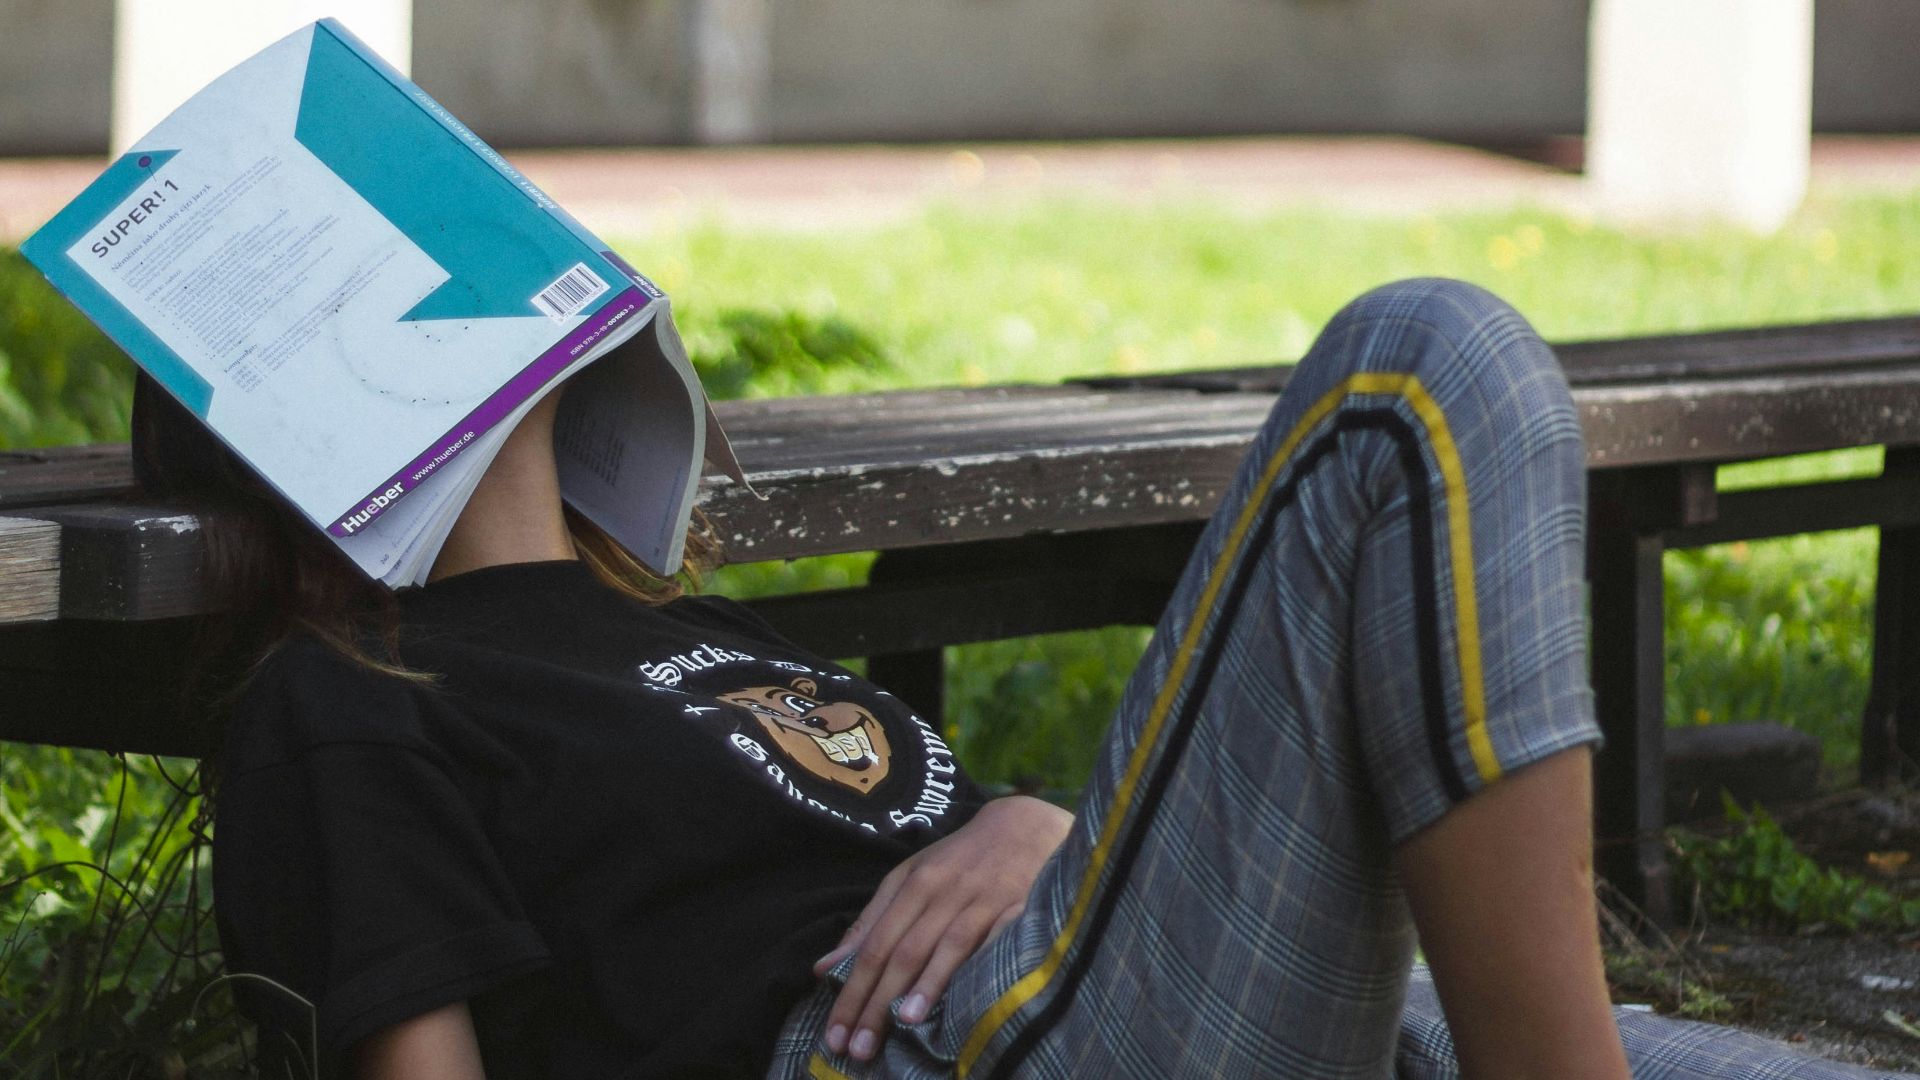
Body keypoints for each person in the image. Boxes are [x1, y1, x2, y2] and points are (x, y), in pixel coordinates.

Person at [136, 278, 1904, 1079]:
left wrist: (1034, 824)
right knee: (1421, 370)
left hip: (1156, 994)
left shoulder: (689, 629)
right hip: (950, 1056)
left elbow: (917, 836)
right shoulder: (347, 694)